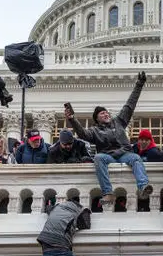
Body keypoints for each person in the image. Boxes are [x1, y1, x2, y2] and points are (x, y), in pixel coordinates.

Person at [65, 72, 151, 207]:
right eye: (101, 113)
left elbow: (130, 105)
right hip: (108, 156)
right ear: (97, 118)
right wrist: (72, 119)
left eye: (106, 112)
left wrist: (139, 85)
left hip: (125, 154)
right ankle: (107, 192)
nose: (105, 114)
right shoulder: (94, 131)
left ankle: (143, 186)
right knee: (98, 158)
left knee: (136, 158)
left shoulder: (119, 121)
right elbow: (82, 134)